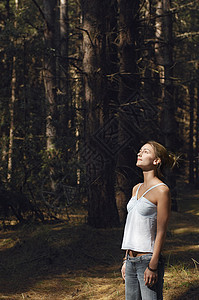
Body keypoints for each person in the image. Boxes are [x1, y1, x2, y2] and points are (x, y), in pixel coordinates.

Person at [121, 141, 177, 300]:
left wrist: (153, 266)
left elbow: (161, 231)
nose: (139, 154)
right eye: (139, 151)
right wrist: (126, 260)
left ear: (156, 160)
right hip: (130, 260)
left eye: (145, 151)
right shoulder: (136, 188)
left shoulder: (162, 190)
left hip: (148, 260)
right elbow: (132, 226)